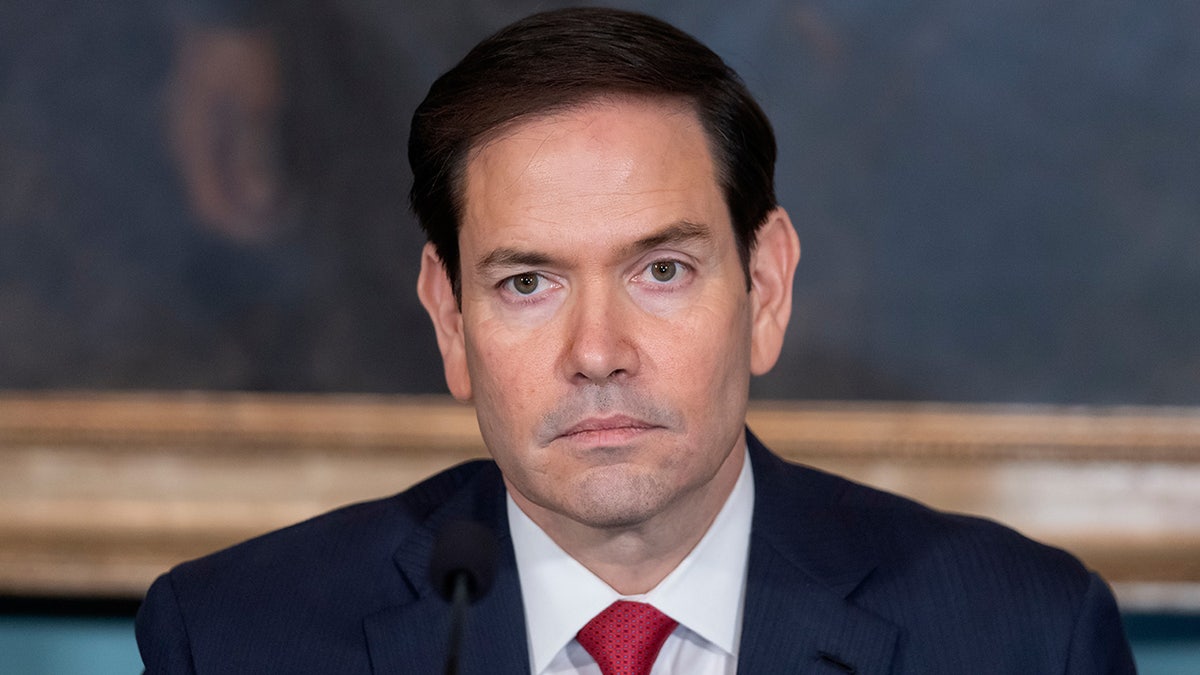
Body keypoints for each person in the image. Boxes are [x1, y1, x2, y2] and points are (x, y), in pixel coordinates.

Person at [136, 8, 1136, 673]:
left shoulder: (1021, 637)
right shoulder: (236, 639)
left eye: (661, 270)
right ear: (449, 320)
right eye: (528, 282)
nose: (599, 349)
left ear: (768, 285)